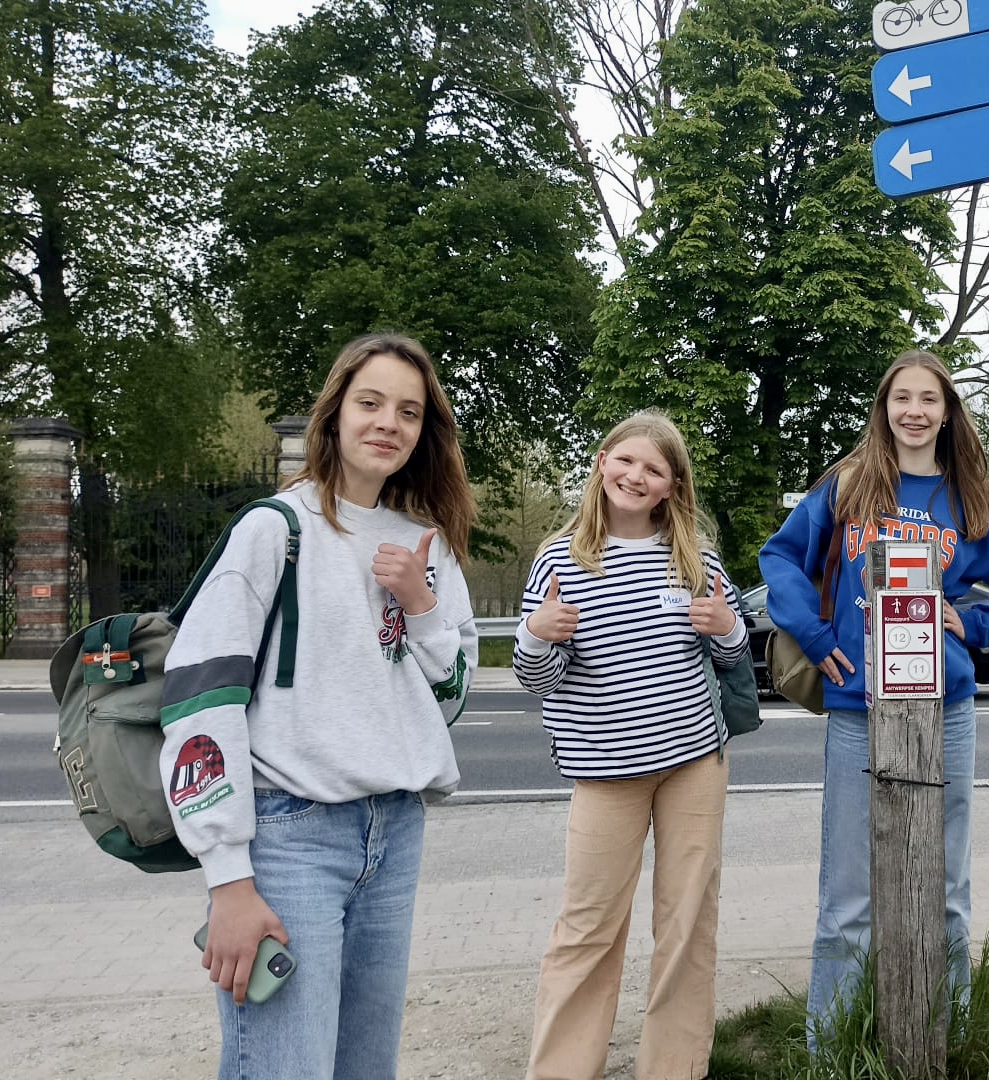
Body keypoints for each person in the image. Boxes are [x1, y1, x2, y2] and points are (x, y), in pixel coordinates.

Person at [159, 332, 479, 1079]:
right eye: (370, 403)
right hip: (288, 838)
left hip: (395, 833)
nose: (388, 423)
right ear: (334, 414)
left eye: (409, 412)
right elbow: (199, 702)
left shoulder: (426, 545)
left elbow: (449, 700)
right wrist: (228, 879)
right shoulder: (275, 529)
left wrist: (421, 605)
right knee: (286, 1066)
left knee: (366, 1067)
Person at [758, 349, 989, 1046]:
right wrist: (813, 631)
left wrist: (972, 625)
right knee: (849, 893)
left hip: (943, 711)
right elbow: (779, 556)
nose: (915, 411)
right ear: (885, 408)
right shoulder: (849, 486)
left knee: (945, 887)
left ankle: (945, 1036)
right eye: (903, 398)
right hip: (857, 705)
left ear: (948, 412)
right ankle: (831, 1047)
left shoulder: (968, 499)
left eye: (930, 399)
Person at [516, 411, 747, 1080]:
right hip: (603, 771)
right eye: (626, 461)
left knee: (687, 924)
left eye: (654, 469)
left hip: (694, 764)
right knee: (587, 927)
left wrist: (728, 628)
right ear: (601, 464)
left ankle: (674, 1068)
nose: (636, 476)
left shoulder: (696, 559)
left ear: (673, 486)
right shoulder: (560, 559)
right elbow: (538, 680)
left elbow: (732, 658)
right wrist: (535, 635)